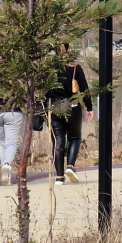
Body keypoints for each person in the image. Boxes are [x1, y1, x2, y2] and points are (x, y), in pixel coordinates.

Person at [47, 44, 93, 185]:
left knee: (58, 141)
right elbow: (84, 89)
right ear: (69, 51)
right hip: (73, 107)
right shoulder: (75, 68)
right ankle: (70, 166)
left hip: (54, 108)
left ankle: (59, 177)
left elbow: (45, 92)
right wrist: (89, 107)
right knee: (74, 138)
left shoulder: (49, 69)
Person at [0, 91, 24, 186]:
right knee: (12, 143)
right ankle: (7, 164)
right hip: (13, 111)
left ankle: (5, 176)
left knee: (2, 143)